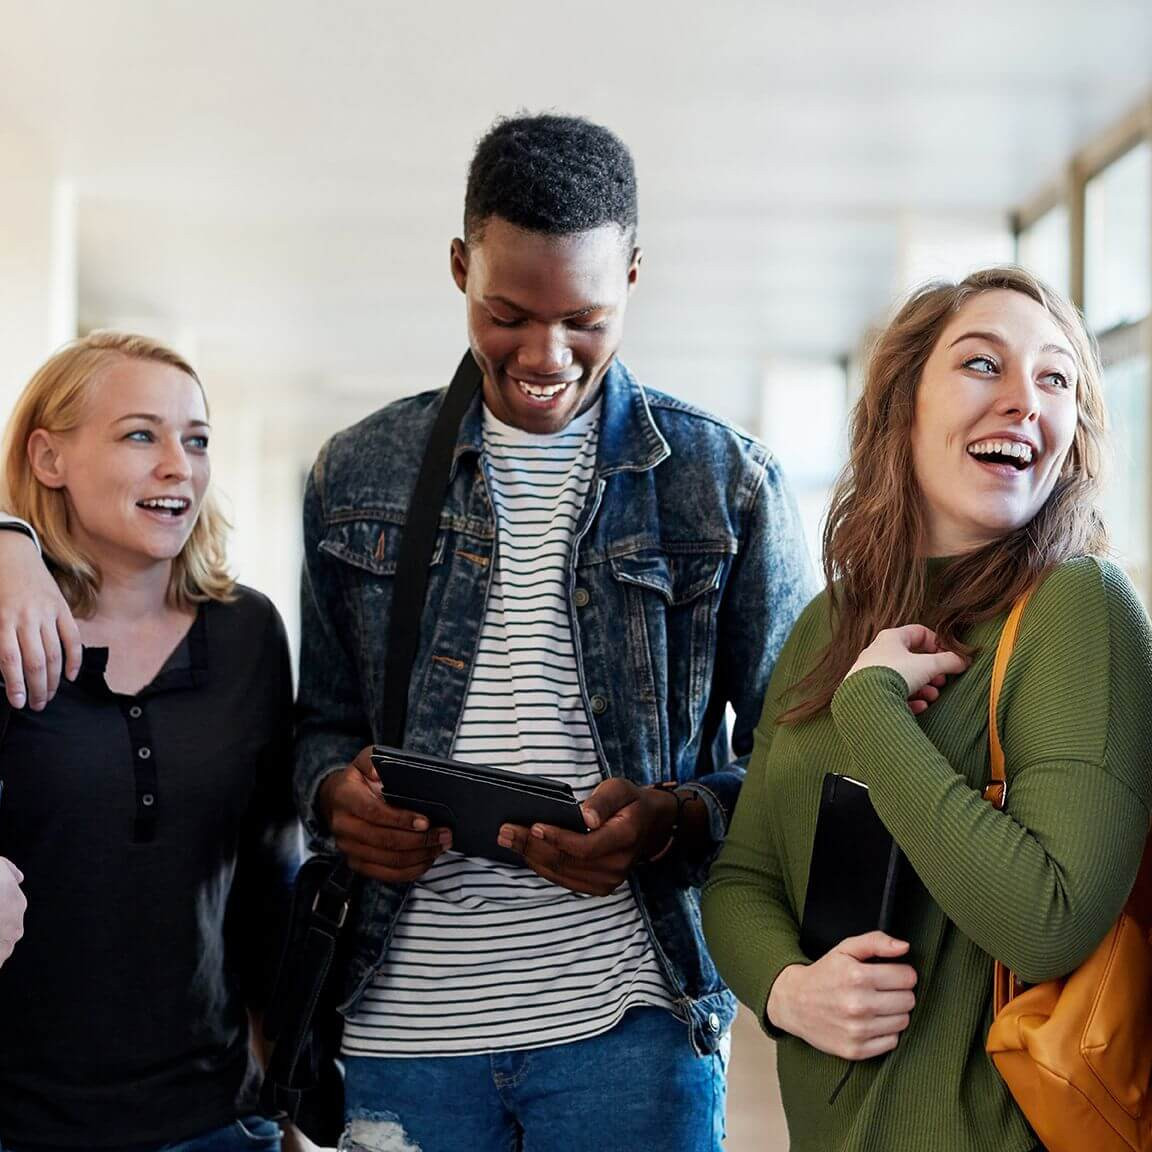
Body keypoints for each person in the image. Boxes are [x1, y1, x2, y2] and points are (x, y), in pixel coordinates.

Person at [293, 114, 812, 1151]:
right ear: (460, 267)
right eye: (507, 315)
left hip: (631, 1030)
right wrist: (335, 799)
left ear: (633, 275)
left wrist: (673, 818)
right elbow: (320, 727)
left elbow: (795, 762)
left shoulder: (728, 485)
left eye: (584, 318)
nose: (544, 355)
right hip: (404, 1032)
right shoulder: (357, 474)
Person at [701, 266, 1152, 1152]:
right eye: (984, 364)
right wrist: (790, 991)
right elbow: (742, 877)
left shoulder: (1078, 607)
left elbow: (1048, 923)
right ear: (902, 403)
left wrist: (874, 710)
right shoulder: (829, 621)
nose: (1024, 399)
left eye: (1055, 378)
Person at [0, 332, 300, 1152]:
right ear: (49, 457)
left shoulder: (248, 632)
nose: (179, 467)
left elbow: (270, 878)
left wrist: (292, 1095)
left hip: (216, 1120)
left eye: (196, 440)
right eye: (141, 435)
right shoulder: (6, 623)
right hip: (21, 1125)